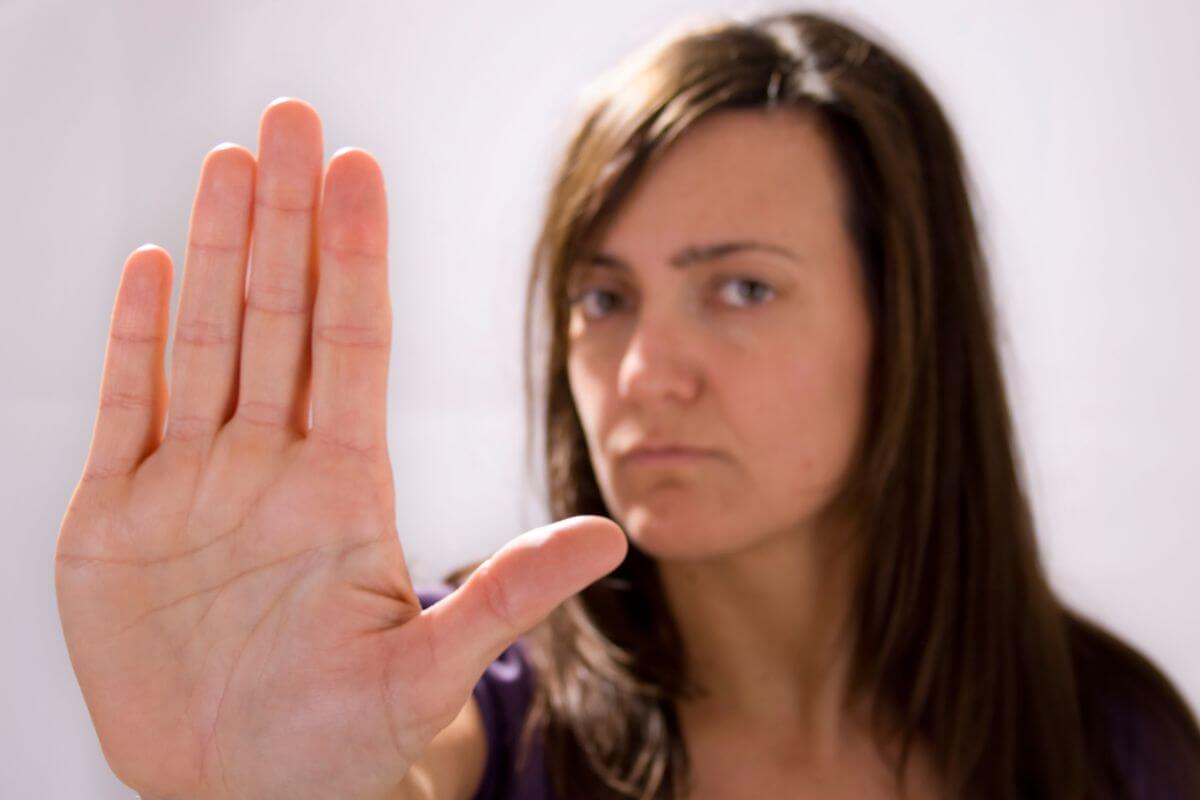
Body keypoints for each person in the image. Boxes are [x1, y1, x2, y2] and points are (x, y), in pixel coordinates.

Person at [54, 8, 1199, 800]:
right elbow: (389, 766)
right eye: (603, 294)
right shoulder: (462, 698)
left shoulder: (1109, 739)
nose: (646, 369)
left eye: (742, 288)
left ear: (911, 328)